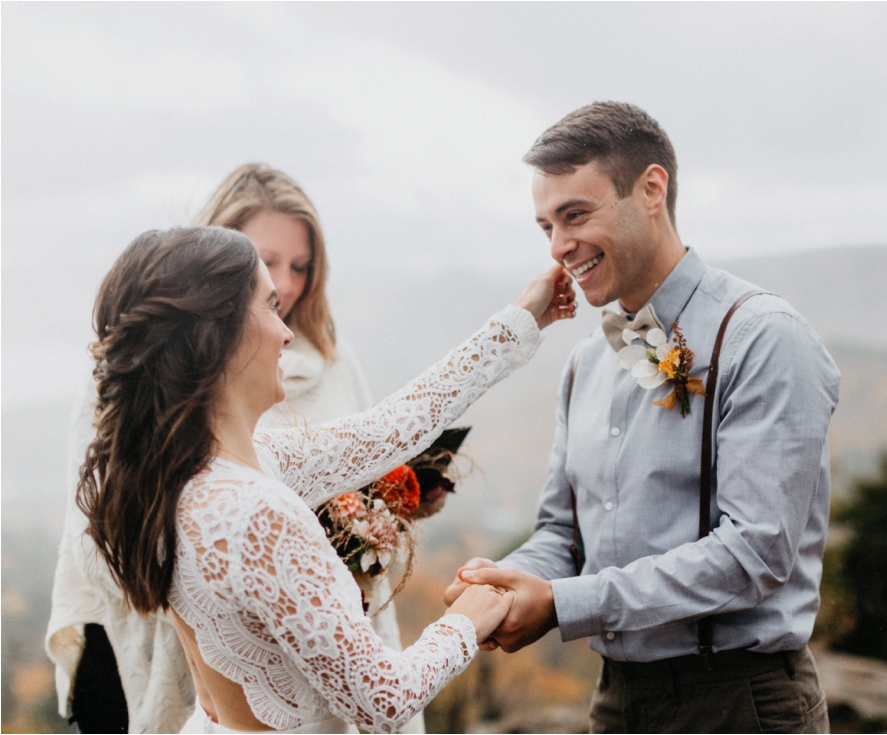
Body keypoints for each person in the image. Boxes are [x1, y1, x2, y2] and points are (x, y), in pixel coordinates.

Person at [74, 225, 574, 733]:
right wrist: (470, 616)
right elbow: (382, 699)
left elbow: (387, 430)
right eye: (269, 307)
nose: (286, 331)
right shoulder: (254, 510)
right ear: (220, 336)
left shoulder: (181, 473)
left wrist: (520, 319)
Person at [445, 102, 841, 733]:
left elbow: (756, 555)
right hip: (616, 703)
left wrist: (562, 605)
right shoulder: (584, 364)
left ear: (652, 190)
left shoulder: (764, 337)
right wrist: (497, 588)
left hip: (741, 704)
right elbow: (562, 534)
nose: (558, 247)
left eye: (575, 215)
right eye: (546, 225)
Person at [45, 164, 435, 733]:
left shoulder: (334, 362)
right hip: (202, 666)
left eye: (301, 267)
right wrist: (243, 564)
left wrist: (357, 535)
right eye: (266, 263)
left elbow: (372, 453)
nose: (288, 284)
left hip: (333, 645)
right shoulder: (137, 373)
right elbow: (118, 529)